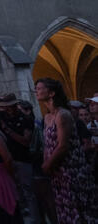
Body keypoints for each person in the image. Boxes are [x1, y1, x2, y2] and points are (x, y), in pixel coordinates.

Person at [35, 76, 98, 223]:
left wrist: (47, 164)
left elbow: (63, 146)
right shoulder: (48, 117)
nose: (36, 92)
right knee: (64, 209)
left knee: (77, 208)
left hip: (70, 170)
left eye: (39, 89)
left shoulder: (62, 115)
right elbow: (48, 143)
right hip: (58, 172)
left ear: (51, 93)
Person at [0, 92, 40, 223]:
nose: (6, 109)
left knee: (28, 189)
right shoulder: (1, 116)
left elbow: (26, 141)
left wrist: (8, 131)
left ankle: (35, 219)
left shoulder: (26, 119)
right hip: (6, 157)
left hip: (22, 158)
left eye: (8, 106)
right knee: (14, 189)